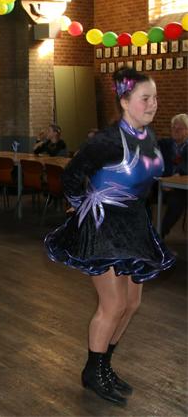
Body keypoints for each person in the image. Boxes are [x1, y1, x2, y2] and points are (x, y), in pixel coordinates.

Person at [44, 68, 175, 406]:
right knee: (113, 304)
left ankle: (103, 365)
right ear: (125, 102)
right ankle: (92, 371)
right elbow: (71, 177)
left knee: (131, 304)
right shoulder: (105, 141)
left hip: (135, 225)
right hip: (104, 228)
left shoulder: (149, 136)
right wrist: (84, 206)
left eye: (155, 97)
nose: (153, 104)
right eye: (145, 98)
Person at [157, 113, 188, 238]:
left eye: (179, 128)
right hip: (162, 183)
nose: (175, 130)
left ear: (187, 131)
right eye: (173, 127)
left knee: (177, 201)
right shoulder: (164, 144)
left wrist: (177, 176)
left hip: (182, 188)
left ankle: (160, 234)